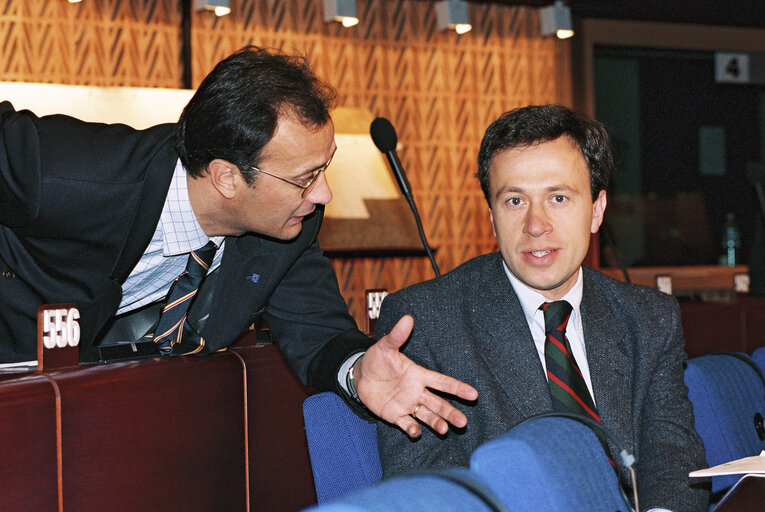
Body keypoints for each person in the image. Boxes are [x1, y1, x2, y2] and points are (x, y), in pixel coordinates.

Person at [0, 46, 476, 438]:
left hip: (102, 414)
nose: (323, 194)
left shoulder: (291, 223)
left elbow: (319, 332)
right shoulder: (59, 170)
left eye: (324, 168)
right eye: (305, 177)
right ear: (227, 177)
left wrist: (357, 368)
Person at [375, 105, 708, 511]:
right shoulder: (424, 322)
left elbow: (673, 459)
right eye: (515, 200)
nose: (536, 224)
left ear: (597, 210)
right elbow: (428, 491)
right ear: (493, 218)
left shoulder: (649, 319)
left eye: (559, 197)